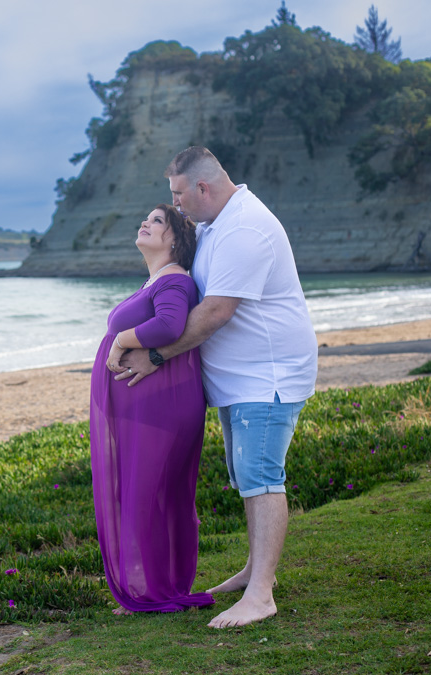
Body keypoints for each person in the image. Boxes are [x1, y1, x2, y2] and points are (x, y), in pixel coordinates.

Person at [118, 146, 318, 628]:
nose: (177, 205)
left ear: (203, 188)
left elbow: (214, 312)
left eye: (179, 194)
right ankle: (254, 571)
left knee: (262, 476)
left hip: (265, 377)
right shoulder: (214, 224)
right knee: (244, 476)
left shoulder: (245, 228)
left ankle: (262, 595)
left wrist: (156, 355)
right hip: (236, 379)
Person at [91, 203, 215, 615]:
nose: (144, 222)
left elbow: (170, 326)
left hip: (161, 409)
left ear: (176, 241)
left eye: (157, 220)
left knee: (150, 497)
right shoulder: (156, 281)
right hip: (149, 408)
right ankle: (153, 587)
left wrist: (122, 339)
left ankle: (153, 592)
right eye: (145, 217)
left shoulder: (175, 280)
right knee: (147, 496)